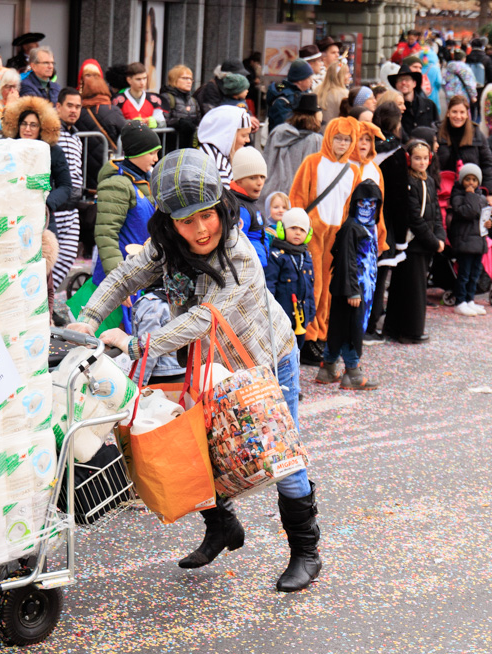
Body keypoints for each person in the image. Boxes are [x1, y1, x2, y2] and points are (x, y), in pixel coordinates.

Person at [68, 148, 322, 593]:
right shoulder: (164, 248)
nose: (200, 229)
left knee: (281, 458)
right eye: (187, 221)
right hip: (209, 365)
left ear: (221, 207)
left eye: (207, 216)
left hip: (267, 362)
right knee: (198, 447)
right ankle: (223, 526)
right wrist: (87, 319)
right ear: (169, 223)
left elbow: (203, 318)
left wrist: (136, 343)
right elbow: (125, 276)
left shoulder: (240, 255)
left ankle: (306, 553)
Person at [67, 121, 160, 333]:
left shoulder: (143, 181)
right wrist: (119, 283)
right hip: (119, 272)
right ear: (138, 152)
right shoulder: (117, 184)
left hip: (139, 272)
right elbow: (106, 235)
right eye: (152, 153)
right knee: (110, 341)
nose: (155, 159)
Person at [289, 118, 362, 362]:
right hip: (312, 232)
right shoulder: (313, 162)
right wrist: (299, 229)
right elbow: (297, 196)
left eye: (347, 139)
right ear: (329, 137)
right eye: (338, 138)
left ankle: (322, 333)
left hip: (337, 235)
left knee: (330, 288)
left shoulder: (353, 170)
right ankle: (308, 337)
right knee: (313, 285)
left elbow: (353, 206)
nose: (342, 143)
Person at [315, 180, 383, 389]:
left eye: (372, 204)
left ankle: (328, 368)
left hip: (360, 289)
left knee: (340, 327)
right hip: (352, 290)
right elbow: (346, 259)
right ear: (355, 204)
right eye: (362, 202)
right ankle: (352, 372)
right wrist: (353, 291)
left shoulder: (366, 227)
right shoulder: (351, 228)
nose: (367, 208)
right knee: (350, 330)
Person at [383, 139, 445, 344]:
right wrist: (433, 241)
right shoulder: (409, 183)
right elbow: (413, 217)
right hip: (413, 243)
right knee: (410, 289)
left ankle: (403, 327)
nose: (421, 162)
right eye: (417, 158)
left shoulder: (429, 181)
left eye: (425, 158)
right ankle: (408, 330)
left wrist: (440, 236)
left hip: (425, 243)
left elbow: (435, 212)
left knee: (416, 287)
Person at [1, 95, 73, 239]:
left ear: (42, 127)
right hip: (11, 214)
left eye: (33, 125)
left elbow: (65, 186)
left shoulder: (53, 151)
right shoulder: (6, 148)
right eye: (24, 123)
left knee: (45, 257)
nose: (27, 129)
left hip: (42, 215)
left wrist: (47, 203)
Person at [368, 102, 409, 343]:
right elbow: (400, 200)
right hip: (387, 224)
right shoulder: (396, 153)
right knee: (379, 277)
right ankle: (370, 326)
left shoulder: (365, 147)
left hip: (363, 219)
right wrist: (402, 238)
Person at [50, 88, 85, 292]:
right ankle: (45, 303)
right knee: (49, 261)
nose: (74, 110)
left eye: (78, 106)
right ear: (58, 106)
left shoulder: (76, 137)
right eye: (69, 105)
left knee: (67, 258)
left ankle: (48, 301)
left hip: (72, 208)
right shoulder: (52, 135)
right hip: (56, 207)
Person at [265, 207, 315, 349]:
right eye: (293, 228)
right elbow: (270, 286)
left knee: (297, 348)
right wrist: (270, 313)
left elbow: (310, 288)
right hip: (280, 316)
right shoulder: (276, 256)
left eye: (302, 230)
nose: (298, 232)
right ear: (282, 229)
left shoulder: (306, 257)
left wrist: (310, 313)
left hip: (301, 316)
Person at [261, 93, 323, 200]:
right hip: (300, 196)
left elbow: (267, 162)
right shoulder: (316, 140)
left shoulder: (278, 133)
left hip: (274, 194)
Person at [448, 164, 491, 315]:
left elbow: (483, 215)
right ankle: (460, 301)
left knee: (475, 274)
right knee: (464, 274)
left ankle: (470, 299)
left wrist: (489, 223)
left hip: (478, 241)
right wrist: (471, 195)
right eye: (468, 179)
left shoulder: (482, 198)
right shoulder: (458, 196)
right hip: (465, 241)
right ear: (462, 181)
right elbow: (469, 212)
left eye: (474, 180)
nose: (471, 183)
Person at [351, 120, 389, 266]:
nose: (364, 143)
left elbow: (379, 208)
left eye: (368, 140)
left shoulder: (374, 169)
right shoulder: (343, 165)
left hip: (368, 233)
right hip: (346, 231)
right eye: (360, 139)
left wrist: (380, 237)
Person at [437, 95, 492, 193]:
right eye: (454, 112)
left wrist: (489, 192)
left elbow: (487, 164)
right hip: (443, 190)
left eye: (462, 112)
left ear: (467, 114)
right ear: (448, 113)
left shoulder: (477, 134)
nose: (458, 116)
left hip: (471, 191)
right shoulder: (437, 133)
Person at [229, 146, 270, 268]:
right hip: (247, 269)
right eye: (253, 178)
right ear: (238, 180)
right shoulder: (241, 208)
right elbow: (237, 242)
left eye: (262, 177)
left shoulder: (249, 203)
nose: (259, 182)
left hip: (255, 267)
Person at [197, 105, 252, 185]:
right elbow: (224, 196)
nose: (248, 140)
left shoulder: (211, 152)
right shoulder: (218, 164)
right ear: (228, 135)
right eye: (244, 135)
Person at [77, 75, 127, 153]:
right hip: (109, 161)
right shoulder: (113, 110)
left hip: (84, 162)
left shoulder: (79, 112)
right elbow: (127, 132)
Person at [266, 58, 314, 132]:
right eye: (309, 77)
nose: (312, 80)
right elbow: (284, 129)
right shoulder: (283, 101)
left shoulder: (305, 94)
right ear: (300, 80)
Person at [160, 64, 201, 149]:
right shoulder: (166, 98)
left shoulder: (193, 101)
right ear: (174, 80)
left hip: (188, 147)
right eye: (185, 78)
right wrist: (179, 123)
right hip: (171, 146)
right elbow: (163, 121)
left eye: (191, 79)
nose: (189, 81)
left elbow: (198, 121)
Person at [389, 66, 436, 137]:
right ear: (396, 85)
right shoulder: (392, 108)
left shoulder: (428, 105)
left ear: (414, 83)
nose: (403, 83)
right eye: (400, 80)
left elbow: (436, 127)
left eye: (407, 79)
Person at [317, 62, 350, 127]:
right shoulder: (344, 94)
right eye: (347, 73)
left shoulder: (317, 91)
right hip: (336, 132)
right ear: (340, 76)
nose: (349, 75)